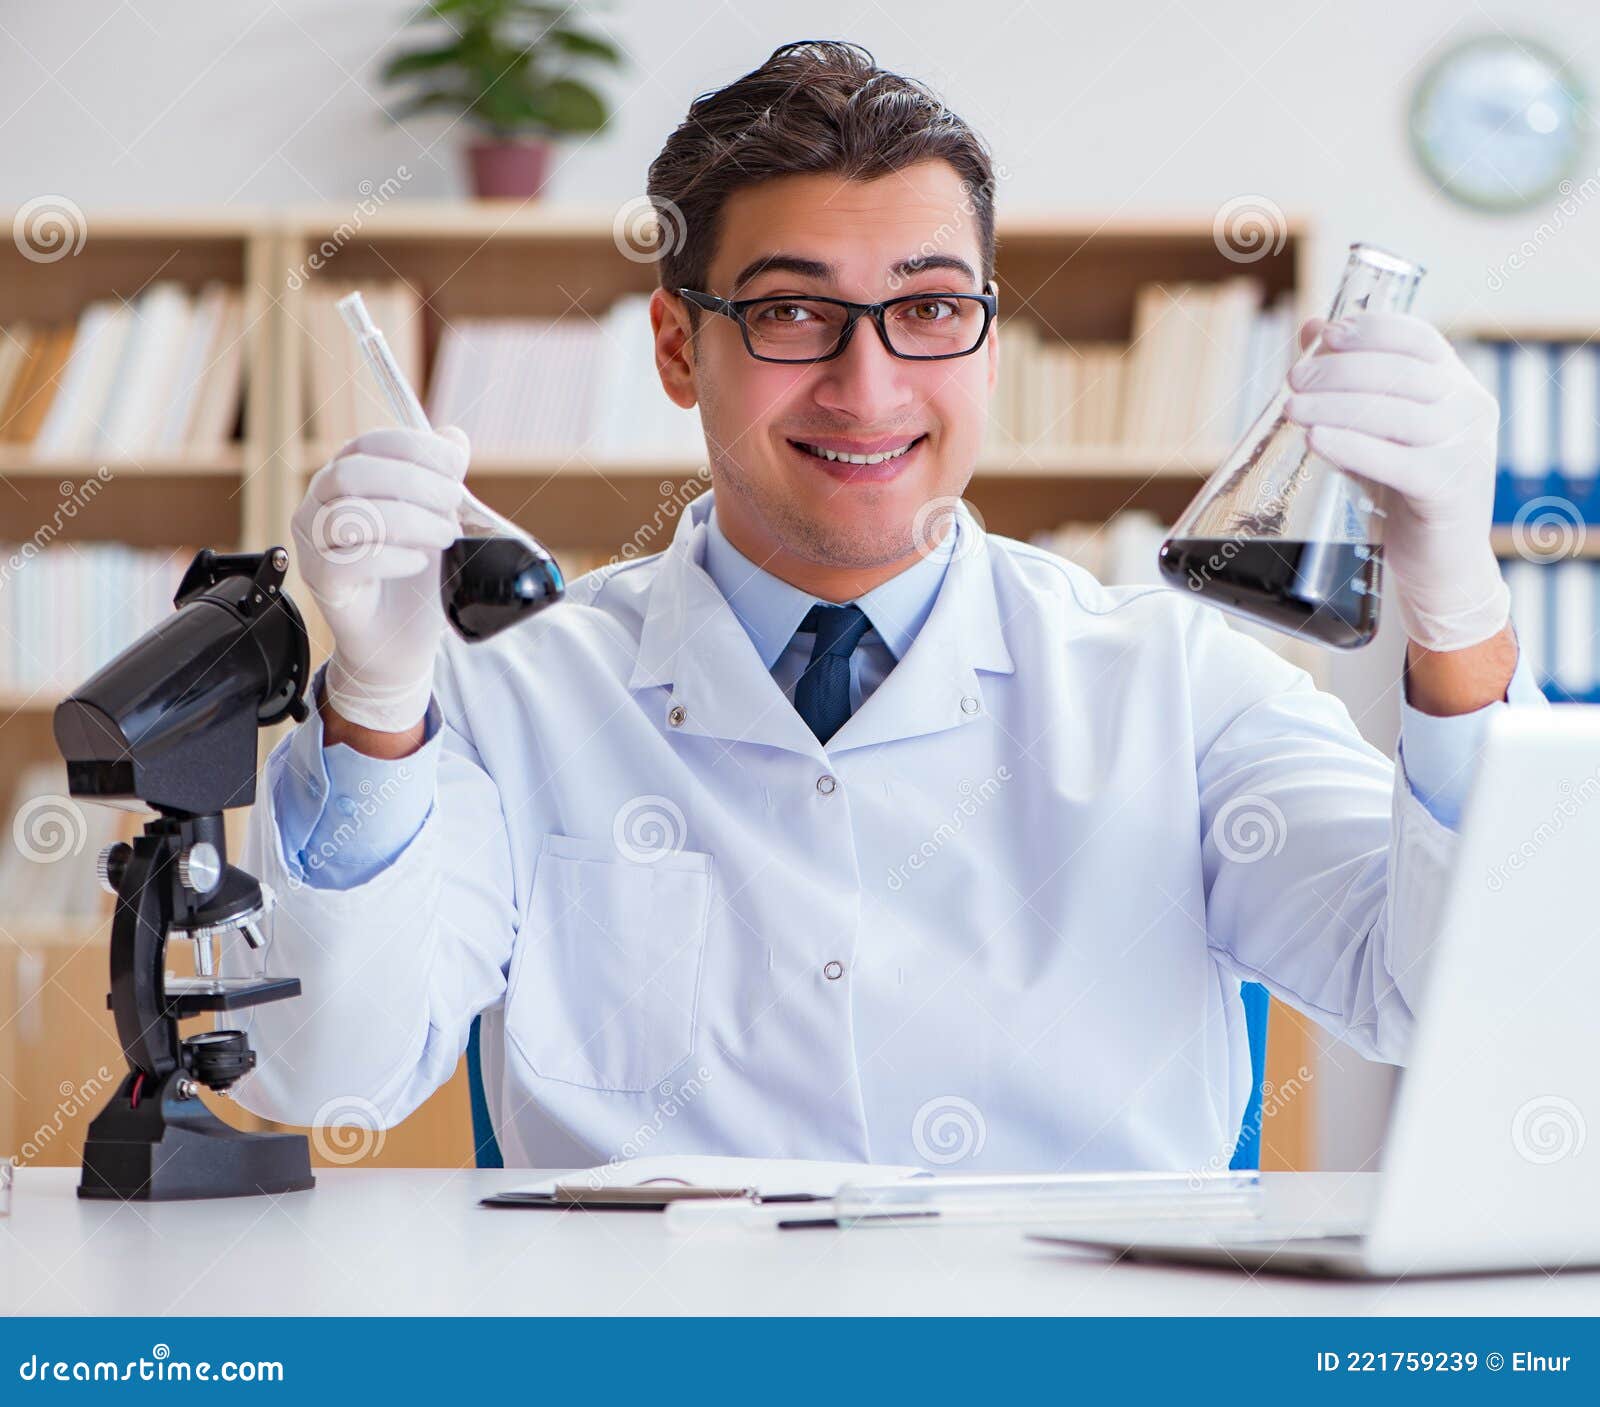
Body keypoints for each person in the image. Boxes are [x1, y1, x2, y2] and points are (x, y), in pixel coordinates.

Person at [227, 39, 1543, 1171]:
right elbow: (324, 1077)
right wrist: (377, 704)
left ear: (988, 336)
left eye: (928, 308)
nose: (868, 388)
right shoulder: (512, 687)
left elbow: (1455, 1003)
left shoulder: (1179, 683)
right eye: (795, 312)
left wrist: (1455, 605)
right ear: (680, 348)